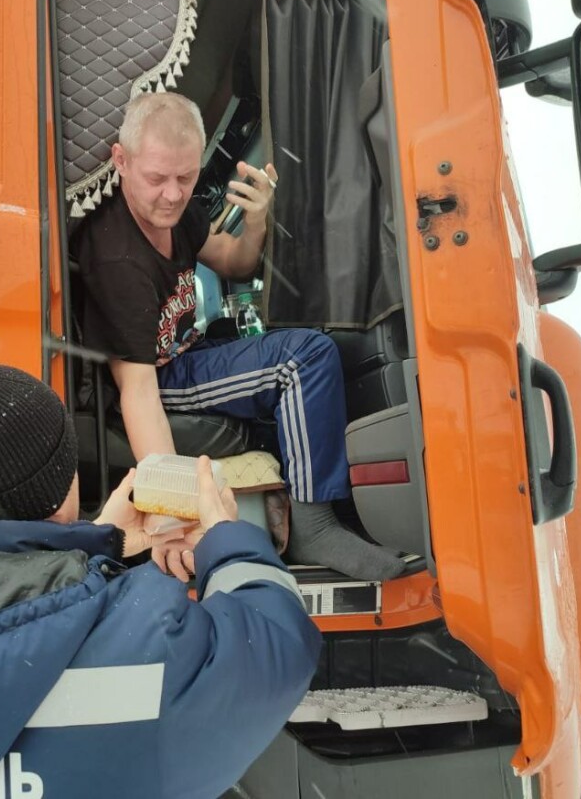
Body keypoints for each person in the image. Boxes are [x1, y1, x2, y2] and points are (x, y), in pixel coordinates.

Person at [0, 364, 320, 799]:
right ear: (66, 487)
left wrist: (93, 542)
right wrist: (225, 536)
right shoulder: (149, 637)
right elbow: (278, 646)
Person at [72, 92, 405, 580]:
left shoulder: (177, 211)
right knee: (303, 359)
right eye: (156, 178)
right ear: (120, 161)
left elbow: (234, 260)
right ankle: (316, 525)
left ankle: (306, 514)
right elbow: (137, 389)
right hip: (159, 376)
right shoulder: (117, 255)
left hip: (188, 353)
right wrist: (171, 511)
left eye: (185, 178)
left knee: (296, 352)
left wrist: (255, 221)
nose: (171, 194)